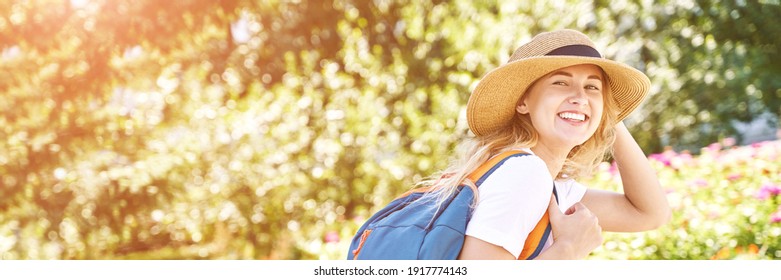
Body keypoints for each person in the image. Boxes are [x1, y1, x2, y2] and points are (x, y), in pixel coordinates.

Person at [418, 29, 671, 259]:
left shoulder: (551, 186)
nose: (580, 98)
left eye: (592, 87)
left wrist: (607, 116)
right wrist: (568, 250)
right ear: (523, 101)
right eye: (561, 82)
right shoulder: (524, 173)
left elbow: (650, 214)